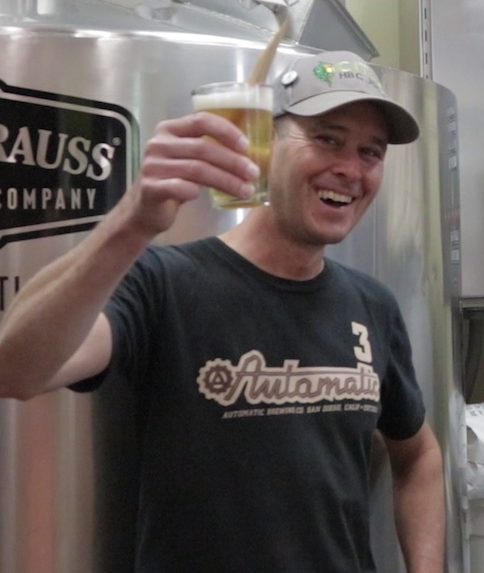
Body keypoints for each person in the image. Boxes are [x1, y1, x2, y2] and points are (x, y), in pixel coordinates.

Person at [0, 51, 446, 572]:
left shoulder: (372, 304)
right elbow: (16, 371)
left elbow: (418, 456)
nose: (350, 168)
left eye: (370, 152)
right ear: (265, 142)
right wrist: (132, 223)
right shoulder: (164, 283)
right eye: (327, 138)